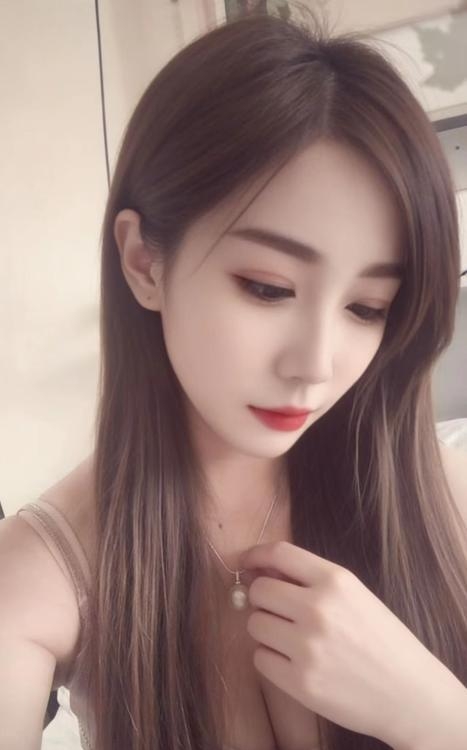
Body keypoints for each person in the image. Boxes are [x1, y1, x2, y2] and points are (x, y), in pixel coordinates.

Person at [1, 5, 467, 750]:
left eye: (366, 307)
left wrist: (436, 717)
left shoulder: (441, 496)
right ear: (144, 262)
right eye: (267, 287)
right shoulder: (44, 577)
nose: (316, 364)